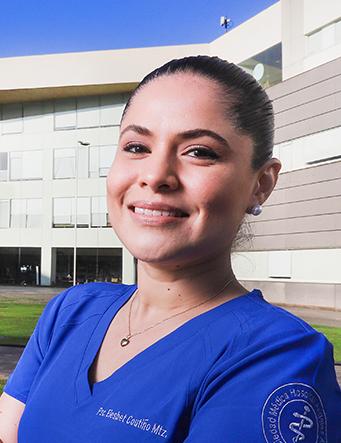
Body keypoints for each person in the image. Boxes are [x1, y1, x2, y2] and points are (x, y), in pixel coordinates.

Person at [0, 55, 340, 442]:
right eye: (136, 146)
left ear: (260, 183)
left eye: (199, 151)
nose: (156, 175)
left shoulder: (277, 358)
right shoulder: (71, 311)